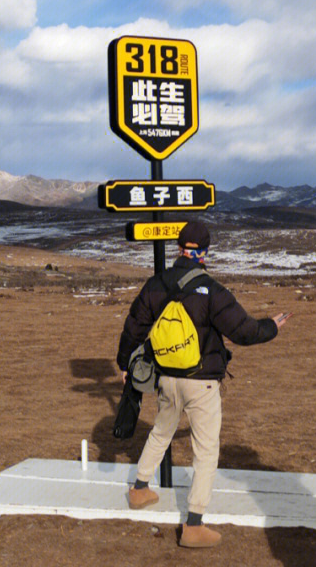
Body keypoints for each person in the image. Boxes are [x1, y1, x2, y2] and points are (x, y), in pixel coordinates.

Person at [116, 219, 290, 548]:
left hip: (166, 379)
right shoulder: (211, 290)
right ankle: (194, 524)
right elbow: (244, 331)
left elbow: (134, 326)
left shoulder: (155, 284)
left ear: (179, 248)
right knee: (206, 451)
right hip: (202, 382)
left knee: (161, 432)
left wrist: (125, 364)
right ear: (205, 251)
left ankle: (139, 489)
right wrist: (272, 326)